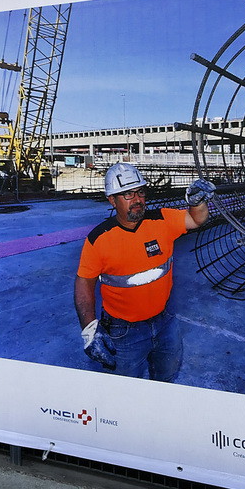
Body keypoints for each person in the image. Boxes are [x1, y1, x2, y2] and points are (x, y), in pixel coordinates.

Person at [73, 163, 211, 382]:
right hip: (123, 332)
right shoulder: (99, 239)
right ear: (112, 200)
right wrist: (90, 329)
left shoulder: (162, 220)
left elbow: (196, 219)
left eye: (140, 192)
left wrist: (197, 202)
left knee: (166, 378)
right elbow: (84, 282)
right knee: (125, 389)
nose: (137, 199)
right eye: (127, 193)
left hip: (165, 321)